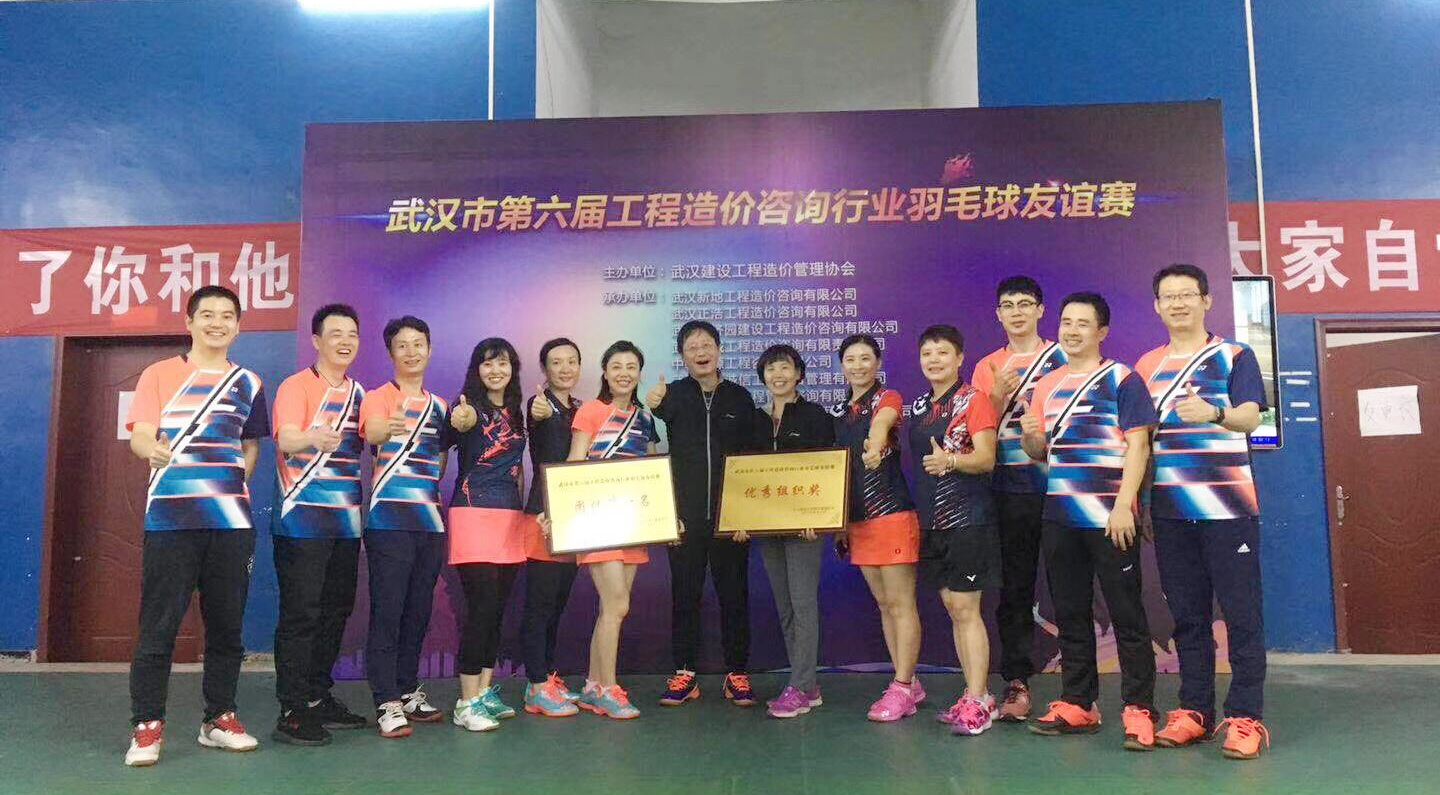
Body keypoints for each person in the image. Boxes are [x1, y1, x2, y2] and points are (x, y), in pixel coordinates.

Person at [123, 285, 269, 767]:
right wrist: (151, 449)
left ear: (238, 326)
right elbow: (140, 434)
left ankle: (219, 719)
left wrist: (229, 488)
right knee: (158, 627)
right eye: (207, 314)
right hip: (171, 520)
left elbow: (250, 446)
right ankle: (147, 726)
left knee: (227, 627)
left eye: (227, 315)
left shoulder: (249, 382)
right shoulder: (159, 374)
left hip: (231, 524)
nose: (217, 323)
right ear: (189, 322)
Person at [1136, 263, 1270, 760]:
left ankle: (1246, 717)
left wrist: (1213, 413)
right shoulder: (1147, 365)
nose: (1177, 303)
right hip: (1171, 510)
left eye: (1186, 294)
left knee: (1242, 616)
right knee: (1187, 617)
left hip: (1229, 508)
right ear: (1157, 306)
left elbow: (1251, 417)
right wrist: (1142, 501)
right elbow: (1141, 441)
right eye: (1168, 296)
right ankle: (1194, 710)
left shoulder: (1235, 355)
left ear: (1206, 301)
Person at [1020, 293, 1160, 750]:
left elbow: (1139, 446)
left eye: (1083, 323)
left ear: (1102, 332)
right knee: (1070, 613)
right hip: (1060, 515)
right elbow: (1039, 452)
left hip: (1111, 516)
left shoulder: (1123, 379)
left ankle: (1139, 708)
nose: (1072, 330)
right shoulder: (1047, 385)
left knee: (1126, 613)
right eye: (1066, 322)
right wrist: (1030, 438)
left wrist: (1124, 506)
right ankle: (1079, 703)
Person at [547, 341, 663, 720]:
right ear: (605, 372)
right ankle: (609, 690)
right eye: (616, 366)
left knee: (612, 609)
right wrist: (560, 511)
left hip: (632, 524)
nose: (624, 373)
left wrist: (663, 514)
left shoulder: (644, 419)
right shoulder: (592, 411)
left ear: (639, 373)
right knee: (617, 605)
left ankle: (595, 686)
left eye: (631, 367)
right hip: (596, 523)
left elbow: (651, 473)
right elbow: (574, 461)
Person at [270, 303, 369, 746]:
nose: (345, 341)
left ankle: (316, 696)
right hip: (301, 522)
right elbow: (286, 438)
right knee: (301, 614)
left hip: (345, 523)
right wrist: (313, 436)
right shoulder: (296, 386)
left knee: (335, 611)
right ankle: (291, 710)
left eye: (352, 334)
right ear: (316, 341)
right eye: (335, 334)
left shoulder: (360, 393)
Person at [969, 275, 1068, 722]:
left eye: (1025, 303)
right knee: (1015, 590)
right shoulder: (987, 365)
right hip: (1009, 490)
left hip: (1064, 487)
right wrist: (996, 396)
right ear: (998, 314)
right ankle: (1016, 682)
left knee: (1070, 586)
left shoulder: (1062, 356)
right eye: (1008, 305)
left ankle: (1078, 689)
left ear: (1041, 310)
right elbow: (974, 429)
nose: (1017, 312)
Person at [646, 320, 758, 707]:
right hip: (684, 519)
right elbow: (650, 434)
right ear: (682, 356)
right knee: (685, 596)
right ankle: (685, 674)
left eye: (706, 344)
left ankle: (737, 673)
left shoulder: (739, 398)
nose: (700, 352)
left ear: (719, 350)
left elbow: (750, 461)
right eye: (692, 347)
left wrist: (744, 515)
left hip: (731, 521)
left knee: (735, 596)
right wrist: (654, 403)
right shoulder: (673, 396)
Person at [908, 325, 1002, 736]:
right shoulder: (918, 407)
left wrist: (950, 461)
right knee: (953, 609)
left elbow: (986, 458)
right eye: (927, 353)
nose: (934, 360)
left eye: (942, 352)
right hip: (932, 523)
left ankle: (979, 699)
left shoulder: (973, 400)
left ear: (960, 358)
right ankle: (973, 694)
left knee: (966, 610)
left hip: (968, 521)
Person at [734, 344, 836, 719]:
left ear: (798, 374)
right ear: (763, 376)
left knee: (803, 603)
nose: (778, 375)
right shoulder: (754, 421)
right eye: (771, 369)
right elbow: (744, 475)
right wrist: (741, 518)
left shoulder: (815, 417)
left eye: (785, 368)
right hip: (767, 526)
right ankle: (806, 684)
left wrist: (820, 517)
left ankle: (799, 685)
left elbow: (827, 469)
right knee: (786, 605)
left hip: (805, 527)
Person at [360, 316, 450, 739]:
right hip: (388, 523)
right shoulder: (378, 398)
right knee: (388, 610)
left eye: (418, 344)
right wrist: (387, 428)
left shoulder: (441, 406)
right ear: (391, 353)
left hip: (429, 523)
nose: (411, 352)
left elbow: (441, 461)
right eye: (402, 345)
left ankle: (408, 689)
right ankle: (386, 700)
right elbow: (373, 432)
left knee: (417, 611)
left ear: (429, 349)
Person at [829, 333, 925, 722]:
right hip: (858, 522)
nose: (858, 366)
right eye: (850, 359)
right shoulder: (838, 413)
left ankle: (901, 686)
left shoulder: (888, 398)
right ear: (842, 366)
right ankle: (908, 680)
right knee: (885, 604)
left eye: (865, 358)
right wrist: (839, 523)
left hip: (893, 515)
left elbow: (882, 423)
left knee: (902, 604)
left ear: (878, 363)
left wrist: (875, 442)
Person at [445, 338, 528, 732]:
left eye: (503, 363)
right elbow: (456, 427)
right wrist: (458, 421)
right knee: (480, 609)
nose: (496, 370)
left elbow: (519, 469)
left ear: (513, 369)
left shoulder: (516, 411)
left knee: (496, 610)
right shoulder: (467, 408)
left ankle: (483, 693)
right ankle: (465, 702)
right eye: (488, 363)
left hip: (510, 517)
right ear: (476, 369)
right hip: (472, 513)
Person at [517, 338, 585, 718]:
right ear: (544, 369)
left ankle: (549, 677)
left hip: (574, 518)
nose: (565, 368)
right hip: (542, 516)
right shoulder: (539, 404)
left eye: (571, 361)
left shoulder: (581, 408)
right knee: (539, 604)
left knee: (558, 603)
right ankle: (535, 685)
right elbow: (537, 416)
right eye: (556, 362)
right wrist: (537, 411)